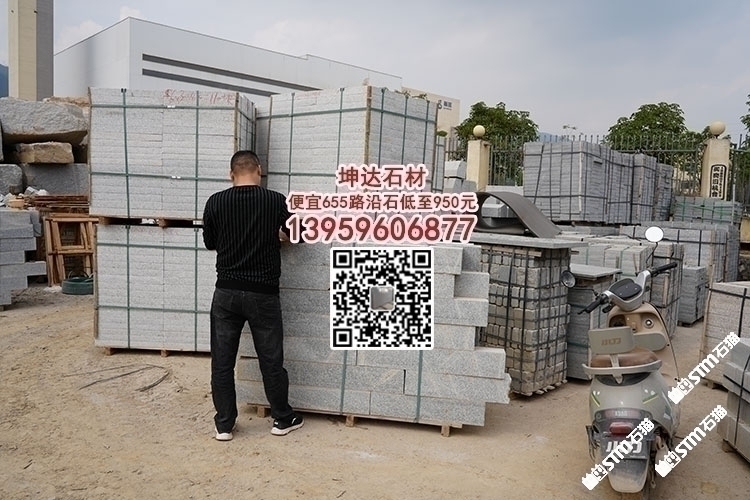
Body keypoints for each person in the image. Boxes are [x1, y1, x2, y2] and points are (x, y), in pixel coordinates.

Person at [202, 150, 303, 441]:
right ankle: (282, 419)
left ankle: (224, 424)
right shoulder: (275, 200)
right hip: (263, 294)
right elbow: (298, 234)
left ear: (231, 174)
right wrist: (276, 235)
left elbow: (210, 242)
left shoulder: (215, 202)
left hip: (226, 293)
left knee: (222, 363)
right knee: (271, 360)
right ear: (259, 170)